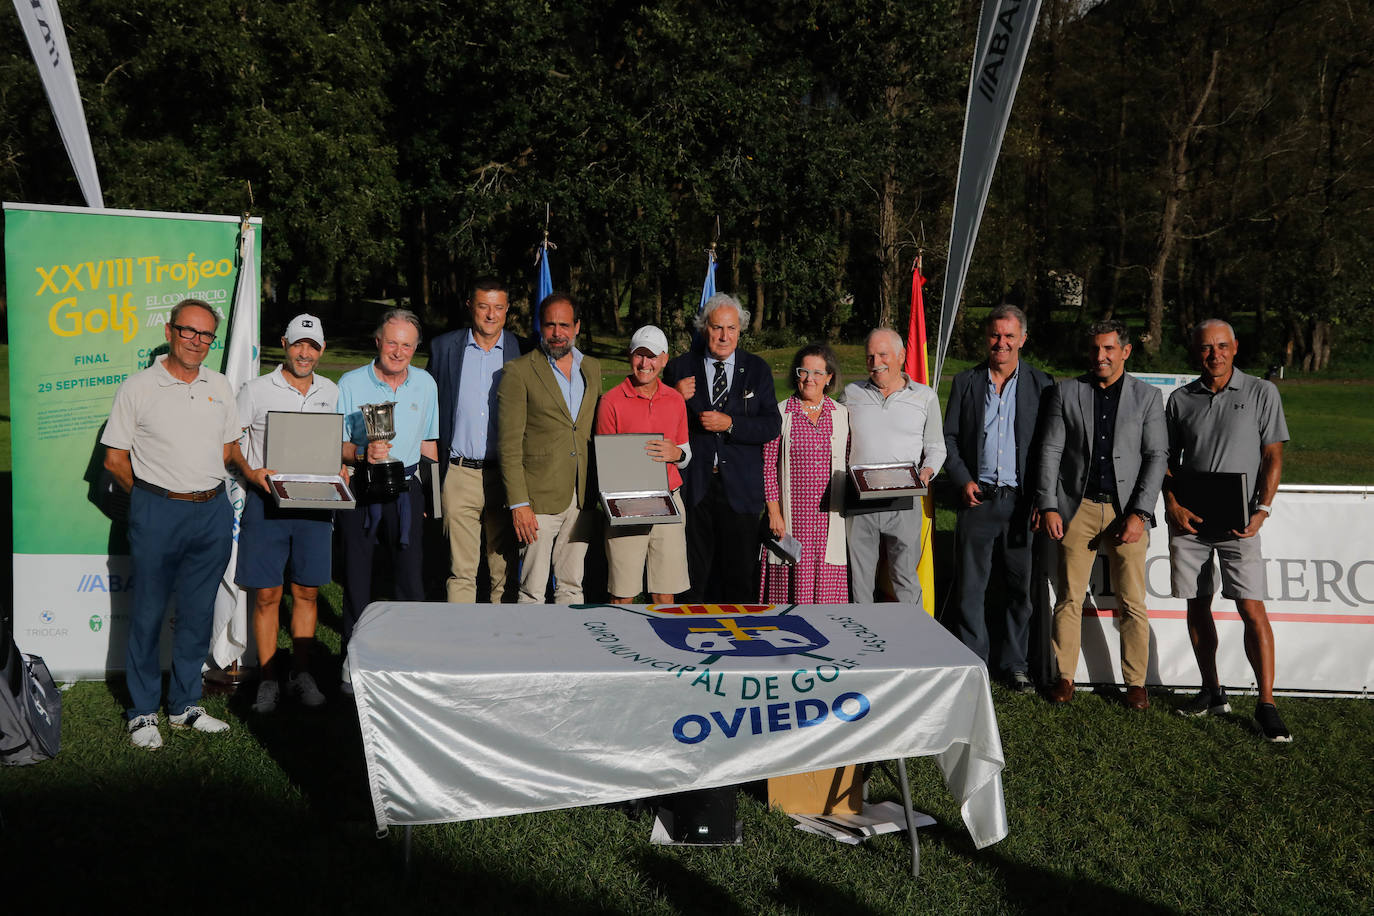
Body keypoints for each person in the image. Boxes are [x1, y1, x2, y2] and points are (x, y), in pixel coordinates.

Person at [100, 300, 239, 749]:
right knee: (147, 614)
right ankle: (142, 712)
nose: (197, 342)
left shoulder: (220, 385)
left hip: (212, 510)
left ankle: (183, 705)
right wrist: (147, 496)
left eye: (206, 336)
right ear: (170, 330)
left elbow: (227, 447)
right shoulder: (138, 387)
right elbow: (115, 458)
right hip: (158, 511)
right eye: (189, 332)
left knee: (198, 613)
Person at [1164, 319, 1292, 742]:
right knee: (1197, 605)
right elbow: (1167, 460)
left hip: (1241, 523)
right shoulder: (1181, 399)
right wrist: (1172, 504)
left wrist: (1263, 509)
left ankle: (1267, 704)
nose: (1214, 354)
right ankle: (1211, 690)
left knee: (1251, 609)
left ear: (1235, 348)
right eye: (1205, 348)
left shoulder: (1261, 392)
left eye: (1221, 346)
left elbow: (1272, 456)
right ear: (1195, 351)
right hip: (1191, 522)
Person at [1036, 320, 1168, 709]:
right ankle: (1064, 677)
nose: (1101, 357)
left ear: (1125, 351)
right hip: (1078, 507)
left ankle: (1136, 683)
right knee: (1069, 598)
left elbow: (1156, 456)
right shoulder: (1066, 392)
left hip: (1128, 510)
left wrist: (1140, 512)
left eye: (1109, 349)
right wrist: (1048, 504)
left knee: (1131, 601)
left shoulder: (1147, 397)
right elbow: (1050, 451)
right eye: (1095, 349)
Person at [942, 305, 1055, 692]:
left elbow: (1049, 448)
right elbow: (950, 439)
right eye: (995, 335)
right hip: (978, 498)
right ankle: (975, 661)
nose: (1001, 343)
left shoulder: (1044, 385)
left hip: (1023, 503)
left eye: (1009, 336)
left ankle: (1015, 663)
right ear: (986, 337)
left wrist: (1044, 498)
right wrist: (961, 479)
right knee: (971, 586)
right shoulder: (966, 382)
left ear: (1022, 339)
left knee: (1019, 588)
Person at [230, 314, 338, 713]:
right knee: (267, 594)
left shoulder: (332, 391)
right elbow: (230, 443)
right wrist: (250, 473)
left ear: (321, 350)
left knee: (307, 591)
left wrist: (347, 463)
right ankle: (269, 679)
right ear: (284, 344)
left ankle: (302, 674)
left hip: (315, 502)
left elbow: (338, 444)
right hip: (267, 502)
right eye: (297, 344)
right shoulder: (256, 390)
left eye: (312, 346)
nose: (304, 353)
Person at [336, 309, 439, 676]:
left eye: (407, 345)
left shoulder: (426, 384)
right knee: (357, 575)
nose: (398, 352)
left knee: (410, 576)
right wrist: (361, 453)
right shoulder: (349, 383)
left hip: (407, 489)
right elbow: (336, 443)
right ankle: (353, 657)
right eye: (392, 342)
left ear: (415, 348)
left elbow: (429, 444)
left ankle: (410, 655)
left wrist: (433, 498)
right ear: (378, 341)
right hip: (362, 488)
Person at [664, 293, 781, 603]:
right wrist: (674, 397)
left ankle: (738, 642)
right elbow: (658, 421)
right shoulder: (679, 368)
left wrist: (731, 424)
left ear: (740, 331)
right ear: (705, 328)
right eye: (717, 328)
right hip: (695, 487)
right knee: (693, 576)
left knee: (738, 577)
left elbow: (772, 425)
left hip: (740, 490)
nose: (724, 336)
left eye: (731, 328)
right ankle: (690, 641)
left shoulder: (757, 369)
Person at [498, 292, 602, 603]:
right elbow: (509, 444)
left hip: (582, 494)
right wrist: (519, 505)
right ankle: (530, 649)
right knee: (532, 590)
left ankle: (568, 648)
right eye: (550, 325)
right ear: (539, 327)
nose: (557, 333)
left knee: (572, 586)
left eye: (564, 325)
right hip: (537, 500)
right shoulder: (519, 371)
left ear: (577, 327)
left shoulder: (593, 368)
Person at [428, 276, 523, 604]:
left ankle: (501, 645)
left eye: (498, 307)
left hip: (505, 477)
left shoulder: (520, 350)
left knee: (505, 572)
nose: (491, 315)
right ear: (470, 306)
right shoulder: (444, 349)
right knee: (461, 572)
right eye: (484, 306)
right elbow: (430, 415)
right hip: (459, 474)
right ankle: (461, 646)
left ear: (507, 310)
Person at [845, 328, 945, 606]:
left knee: (905, 577)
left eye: (883, 354)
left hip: (905, 499)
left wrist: (927, 472)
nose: (876, 362)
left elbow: (936, 445)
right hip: (859, 499)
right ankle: (862, 641)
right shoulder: (851, 393)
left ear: (901, 356)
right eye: (870, 356)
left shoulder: (925, 397)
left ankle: (911, 640)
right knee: (860, 582)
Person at [594, 325, 691, 604]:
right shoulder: (610, 401)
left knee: (665, 592)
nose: (644, 364)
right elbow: (606, 462)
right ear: (629, 356)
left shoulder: (674, 399)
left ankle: (661, 647)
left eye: (651, 357)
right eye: (639, 355)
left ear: (664, 359)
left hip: (669, 501)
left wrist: (676, 454)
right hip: (627, 504)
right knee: (623, 593)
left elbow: (686, 454)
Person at [759, 343, 849, 604]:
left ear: (829, 377)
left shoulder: (841, 415)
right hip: (791, 516)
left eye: (818, 373)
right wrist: (774, 513)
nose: (810, 379)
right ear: (796, 375)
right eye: (804, 372)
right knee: (790, 580)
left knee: (826, 580)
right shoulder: (781, 413)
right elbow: (767, 466)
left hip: (827, 518)